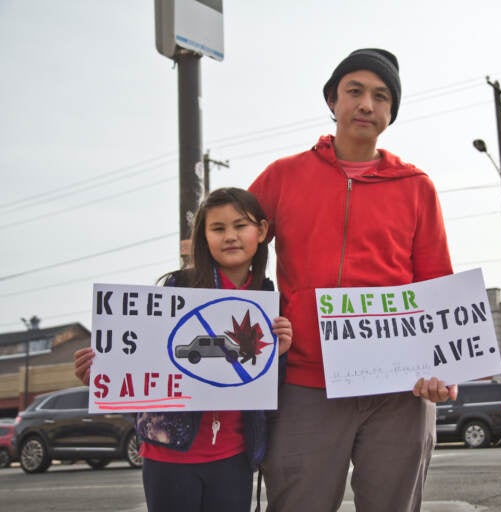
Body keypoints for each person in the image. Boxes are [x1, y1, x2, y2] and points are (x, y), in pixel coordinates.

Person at [248, 48, 457, 512]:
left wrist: (446, 368)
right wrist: (155, 342)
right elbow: (231, 252)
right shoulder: (283, 177)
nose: (367, 104)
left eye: (381, 96)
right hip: (306, 382)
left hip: (399, 391)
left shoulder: (416, 185)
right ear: (332, 100)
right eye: (355, 91)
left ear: (390, 112)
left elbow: (436, 282)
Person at [74, 187, 292, 512]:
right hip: (168, 453)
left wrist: (280, 353)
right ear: (204, 237)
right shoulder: (179, 288)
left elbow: (267, 389)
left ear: (261, 231)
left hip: (234, 456)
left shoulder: (267, 297)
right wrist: (106, 375)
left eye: (240, 225)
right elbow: (148, 359)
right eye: (218, 228)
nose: (230, 236)